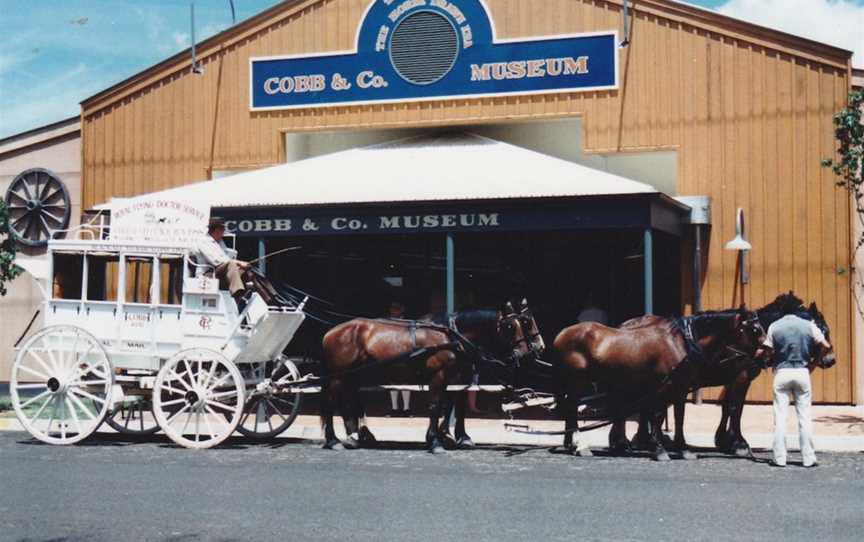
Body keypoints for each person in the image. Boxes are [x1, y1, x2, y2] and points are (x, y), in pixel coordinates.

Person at [763, 302, 832, 468]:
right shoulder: (808, 325)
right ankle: (808, 457)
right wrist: (814, 363)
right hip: (802, 372)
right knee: (804, 417)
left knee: (780, 417)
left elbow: (767, 350)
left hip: (781, 373)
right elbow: (825, 346)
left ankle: (779, 458)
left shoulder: (775, 326)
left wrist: (772, 358)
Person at [194, 217, 251, 313]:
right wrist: (239, 262)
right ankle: (238, 296)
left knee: (247, 270)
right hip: (208, 274)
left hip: (221, 271)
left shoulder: (220, 242)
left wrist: (241, 265)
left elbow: (227, 258)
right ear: (217, 230)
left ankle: (269, 297)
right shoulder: (203, 241)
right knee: (232, 265)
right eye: (223, 230)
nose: (224, 232)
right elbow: (217, 261)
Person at [385, 300, 411, 417]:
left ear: (401, 310)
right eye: (392, 309)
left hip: (404, 355)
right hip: (391, 356)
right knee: (392, 383)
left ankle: (406, 409)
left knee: (406, 383)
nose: (393, 311)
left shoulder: (408, 323)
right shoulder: (386, 323)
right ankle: (394, 408)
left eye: (396, 309)